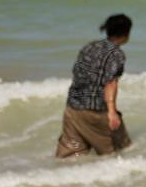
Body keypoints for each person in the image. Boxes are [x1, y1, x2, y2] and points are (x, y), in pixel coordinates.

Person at [55, 15, 134, 158]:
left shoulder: (90, 46)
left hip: (73, 109)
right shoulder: (116, 54)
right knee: (116, 153)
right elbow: (111, 82)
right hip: (96, 113)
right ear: (126, 33)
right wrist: (112, 112)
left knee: (70, 156)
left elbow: (77, 72)